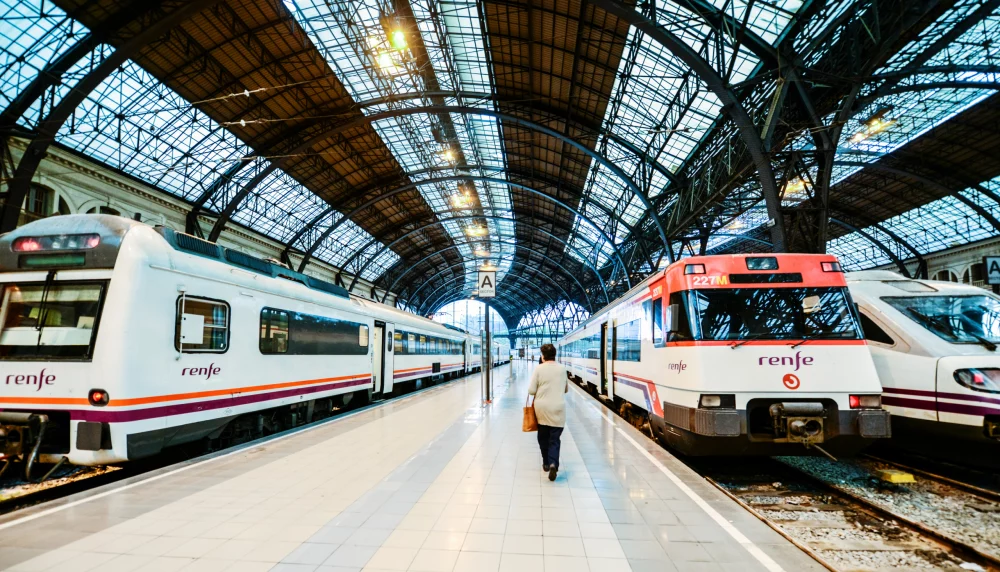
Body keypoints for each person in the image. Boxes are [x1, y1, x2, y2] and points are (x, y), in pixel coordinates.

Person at [528, 343, 568, 481]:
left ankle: (545, 462)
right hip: (558, 408)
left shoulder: (539, 369)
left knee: (543, 437)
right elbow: (566, 389)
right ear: (554, 355)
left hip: (542, 409)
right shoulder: (562, 369)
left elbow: (531, 390)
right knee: (554, 439)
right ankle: (553, 464)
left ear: (543, 356)